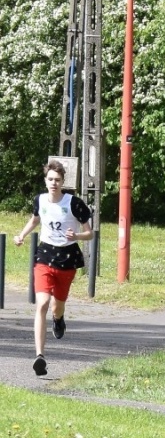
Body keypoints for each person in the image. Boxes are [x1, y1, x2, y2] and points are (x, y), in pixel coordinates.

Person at [13, 160, 93, 377]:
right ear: (45, 180)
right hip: (45, 256)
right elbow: (35, 219)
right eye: (50, 179)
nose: (54, 183)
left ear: (62, 181)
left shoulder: (74, 203)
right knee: (42, 303)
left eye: (57, 180)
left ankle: (59, 320)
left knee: (57, 306)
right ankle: (40, 356)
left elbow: (90, 233)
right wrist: (21, 235)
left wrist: (76, 235)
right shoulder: (39, 200)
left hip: (67, 259)